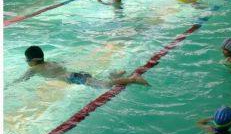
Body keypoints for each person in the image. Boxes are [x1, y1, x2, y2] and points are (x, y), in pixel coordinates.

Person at [14, 45, 148, 87]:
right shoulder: (50, 62)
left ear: (32, 61)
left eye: (27, 60)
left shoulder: (33, 69)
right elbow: (63, 64)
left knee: (105, 85)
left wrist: (10, 86)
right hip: (75, 73)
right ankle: (113, 75)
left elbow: (21, 79)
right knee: (97, 80)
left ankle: (133, 79)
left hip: (72, 77)